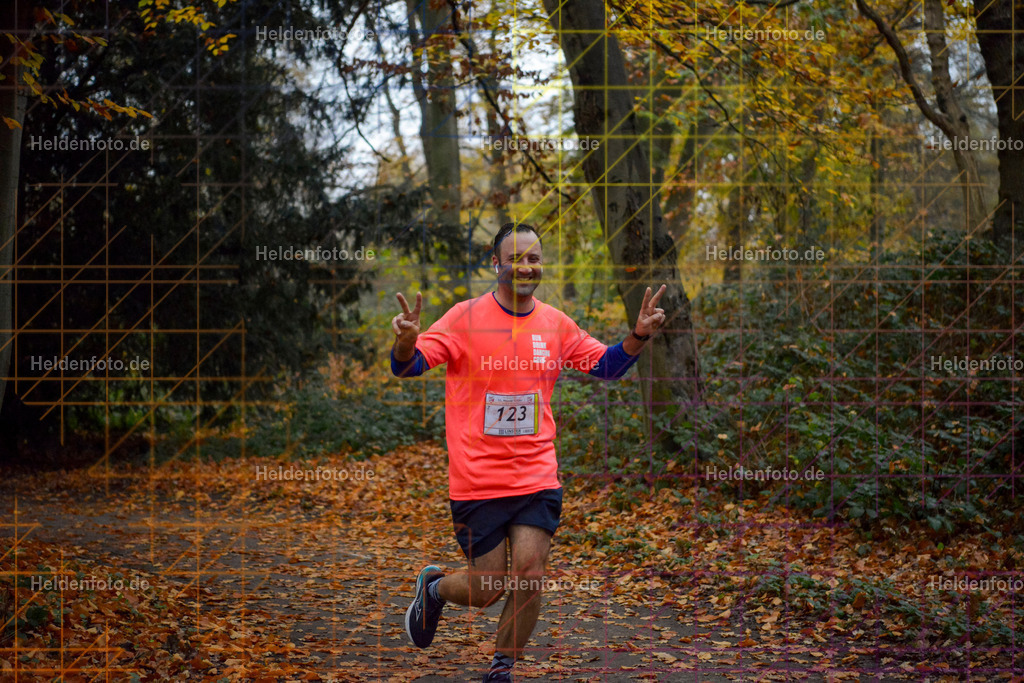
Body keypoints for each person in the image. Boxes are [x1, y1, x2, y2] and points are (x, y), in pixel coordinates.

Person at [390, 222, 666, 682]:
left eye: (534, 257)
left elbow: (606, 365)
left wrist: (637, 335)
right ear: (494, 262)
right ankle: (435, 589)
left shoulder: (556, 324)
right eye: (516, 257)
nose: (526, 265)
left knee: (531, 573)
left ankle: (502, 669)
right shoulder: (464, 317)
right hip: (477, 481)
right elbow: (411, 365)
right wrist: (403, 340)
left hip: (536, 475)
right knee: (488, 587)